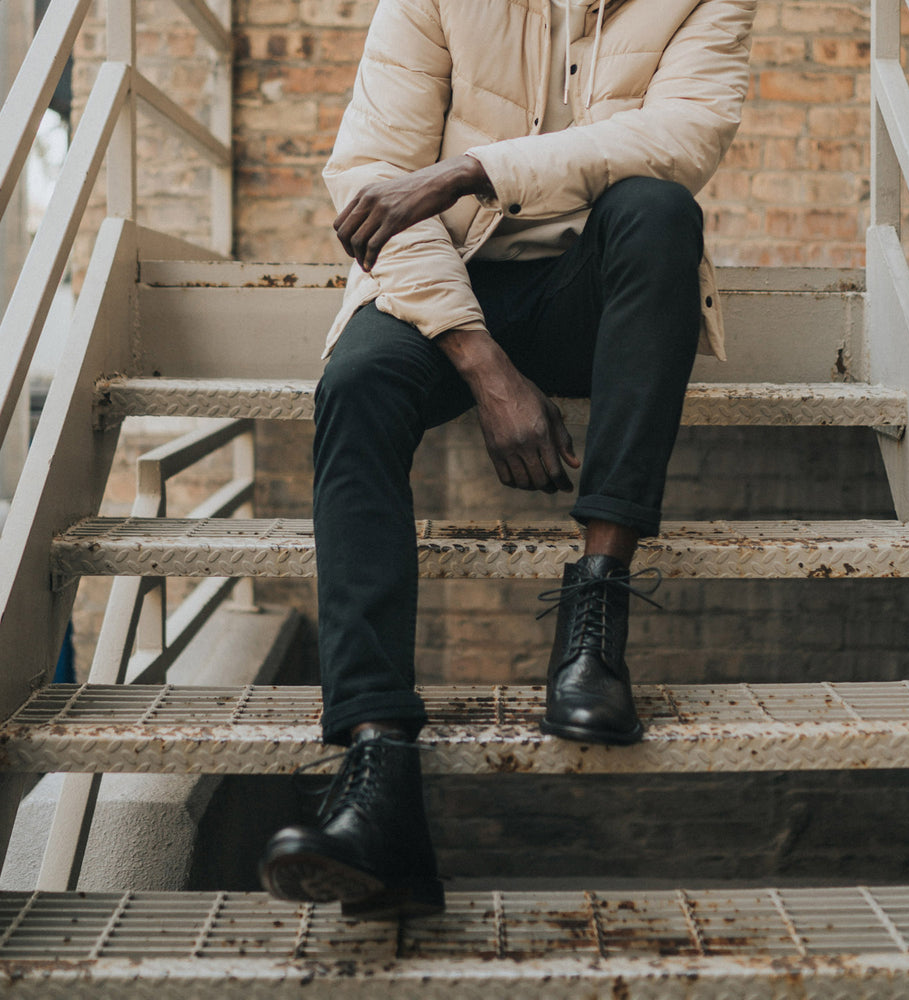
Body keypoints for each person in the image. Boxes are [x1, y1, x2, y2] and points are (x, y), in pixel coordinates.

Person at [259, 0, 756, 919]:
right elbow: (373, 183)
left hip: (590, 287)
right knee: (355, 388)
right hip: (440, 278)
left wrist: (468, 169)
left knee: (658, 211)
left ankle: (593, 633)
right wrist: (482, 360)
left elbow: (683, 137)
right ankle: (377, 777)